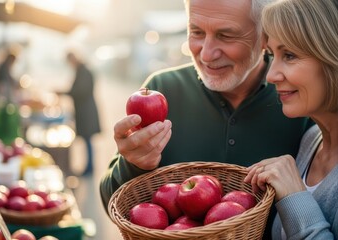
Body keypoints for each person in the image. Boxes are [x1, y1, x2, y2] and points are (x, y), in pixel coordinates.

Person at [100, 0, 313, 237]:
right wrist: (132, 163)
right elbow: (114, 206)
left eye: (226, 35)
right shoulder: (162, 89)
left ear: (265, 36)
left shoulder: (300, 99)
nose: (207, 53)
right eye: (196, 32)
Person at [244, 0, 338, 239]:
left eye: (290, 55)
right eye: (271, 55)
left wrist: (294, 197)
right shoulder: (312, 140)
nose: (272, 75)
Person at [63, 51, 101, 176]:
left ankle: (89, 168)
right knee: (87, 140)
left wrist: (65, 92)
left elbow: (81, 91)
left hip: (86, 111)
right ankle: (88, 167)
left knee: (88, 139)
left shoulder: (84, 71)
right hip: (84, 110)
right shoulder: (82, 70)